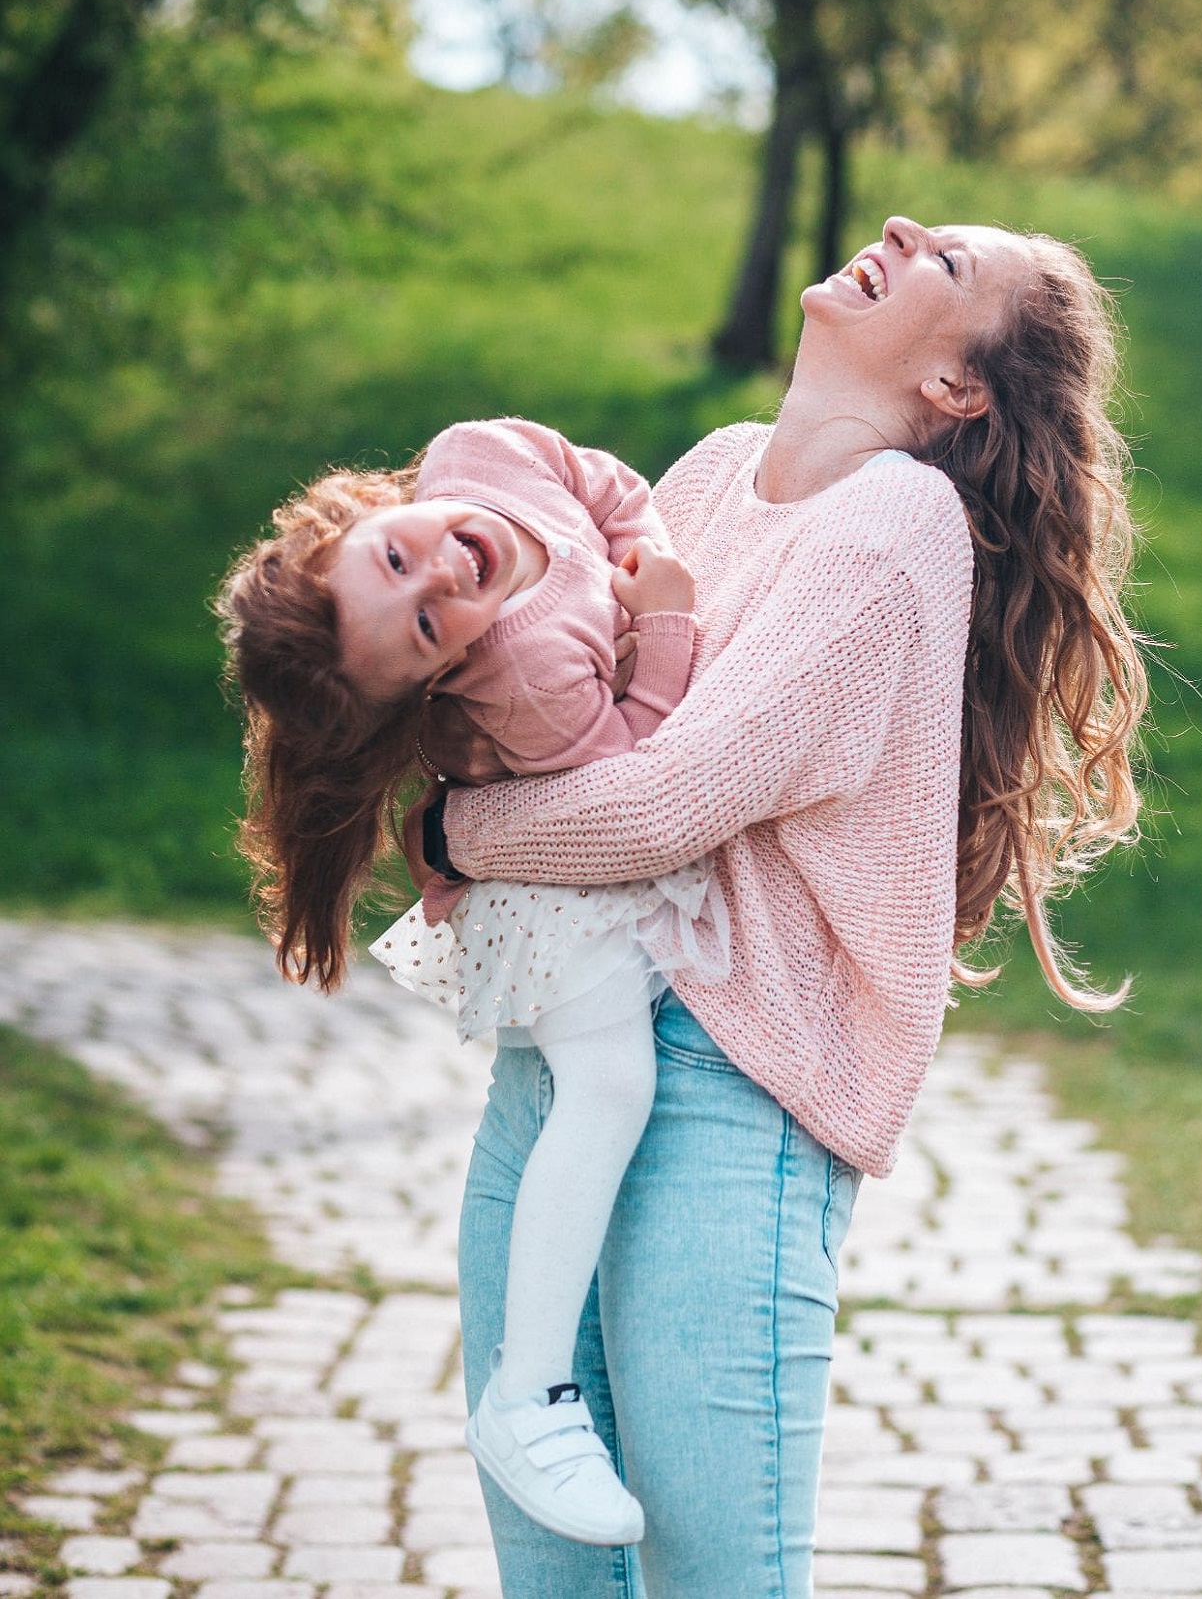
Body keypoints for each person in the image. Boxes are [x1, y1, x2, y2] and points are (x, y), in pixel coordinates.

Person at [405, 215, 1150, 1598]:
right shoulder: (714, 470)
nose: (901, 227)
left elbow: (664, 801)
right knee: (550, 1569)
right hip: (565, 1053)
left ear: (957, 389)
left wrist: (455, 831)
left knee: (714, 1578)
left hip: (728, 1091)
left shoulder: (896, 524)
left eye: (947, 264)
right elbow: (584, 710)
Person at [217, 416, 731, 1548]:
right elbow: (633, 770)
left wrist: (641, 549)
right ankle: (529, 1393)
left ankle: (549, 1379)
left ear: (353, 518)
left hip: (550, 848)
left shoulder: (476, 457)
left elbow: (595, 480)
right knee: (608, 1091)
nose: (443, 575)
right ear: (443, 673)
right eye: (430, 626)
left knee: (590, 1099)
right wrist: (667, 621)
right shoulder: (535, 687)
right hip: (552, 890)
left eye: (398, 560)